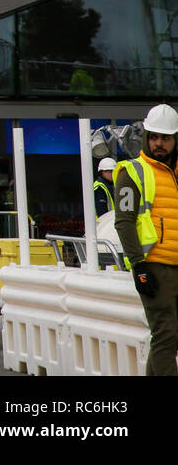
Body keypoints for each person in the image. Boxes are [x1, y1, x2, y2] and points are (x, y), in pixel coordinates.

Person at [114, 103, 178, 375]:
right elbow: (124, 222)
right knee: (166, 333)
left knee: (169, 337)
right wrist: (138, 266)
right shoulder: (133, 172)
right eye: (153, 137)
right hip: (154, 265)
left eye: (165, 138)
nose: (158, 143)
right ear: (145, 137)